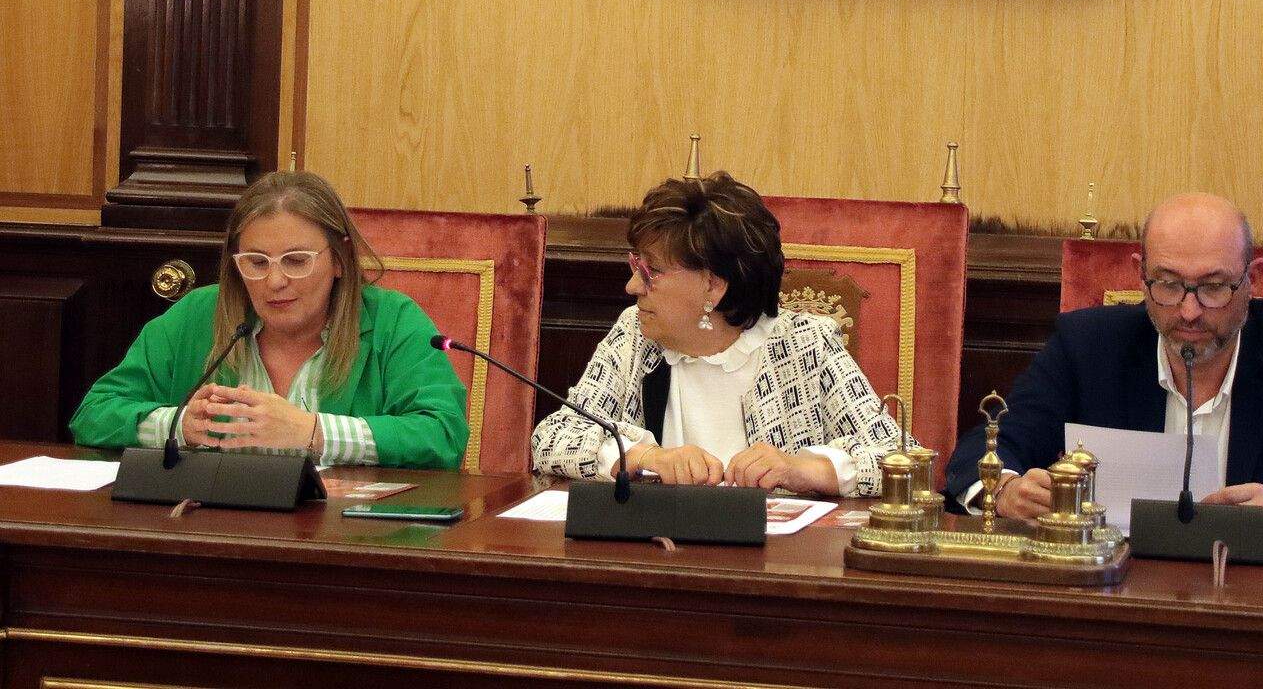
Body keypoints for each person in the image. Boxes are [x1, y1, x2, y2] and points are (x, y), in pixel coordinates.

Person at [944, 193, 1263, 535]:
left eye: (1214, 287)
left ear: (1251, 280)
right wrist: (1004, 491)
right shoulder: (1088, 346)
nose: (1190, 312)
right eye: (1169, 285)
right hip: (1116, 602)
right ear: (1140, 275)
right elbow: (980, 452)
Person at [532, 172, 906, 496]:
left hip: (775, 567)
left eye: (652, 271)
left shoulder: (805, 343)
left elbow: (898, 458)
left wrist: (802, 469)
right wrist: (647, 457)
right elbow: (552, 439)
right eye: (637, 266)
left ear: (713, 286)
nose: (632, 286)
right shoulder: (635, 335)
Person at [70, 171, 469, 470]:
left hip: (345, 540)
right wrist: (178, 425)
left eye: (296, 261)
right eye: (256, 262)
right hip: (215, 534)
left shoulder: (392, 321)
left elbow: (443, 434)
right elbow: (94, 414)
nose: (275, 281)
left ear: (339, 260)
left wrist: (312, 432)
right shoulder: (198, 315)